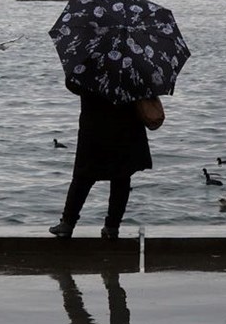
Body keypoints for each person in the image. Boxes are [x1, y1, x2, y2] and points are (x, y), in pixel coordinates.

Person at [49, 83, 152, 240]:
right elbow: (145, 90)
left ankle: (68, 223)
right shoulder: (133, 65)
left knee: (83, 177)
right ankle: (112, 226)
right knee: (121, 178)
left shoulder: (90, 63)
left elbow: (74, 85)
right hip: (125, 127)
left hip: (95, 125)